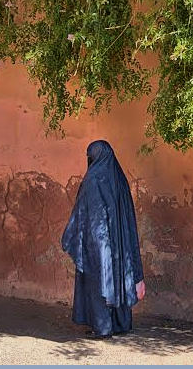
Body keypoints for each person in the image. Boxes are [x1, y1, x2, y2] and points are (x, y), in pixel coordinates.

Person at [61, 140, 146, 339]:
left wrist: (75, 236)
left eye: (89, 156)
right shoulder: (120, 178)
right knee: (118, 275)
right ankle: (121, 323)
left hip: (98, 241)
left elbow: (88, 213)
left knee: (99, 279)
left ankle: (103, 327)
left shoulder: (93, 179)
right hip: (120, 242)